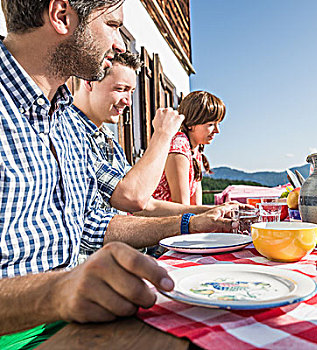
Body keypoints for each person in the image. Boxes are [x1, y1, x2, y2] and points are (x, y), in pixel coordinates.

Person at [0, 0, 236, 345]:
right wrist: (57, 291)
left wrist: (191, 223)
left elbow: (91, 225)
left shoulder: (64, 117)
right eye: (113, 25)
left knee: (223, 323)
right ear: (62, 16)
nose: (120, 44)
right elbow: (133, 198)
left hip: (73, 319)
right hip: (16, 334)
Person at [72, 51, 222, 218]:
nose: (128, 101)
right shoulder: (71, 132)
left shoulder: (107, 139)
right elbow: (132, 198)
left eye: (132, 92)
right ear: (89, 82)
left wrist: (213, 211)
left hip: (124, 238)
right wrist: (162, 134)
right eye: (121, 89)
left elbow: (147, 204)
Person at [154, 91, 224, 205]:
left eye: (218, 124)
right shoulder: (179, 148)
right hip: (157, 221)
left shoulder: (196, 149)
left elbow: (195, 204)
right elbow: (182, 207)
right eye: (211, 124)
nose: (217, 130)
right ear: (191, 123)